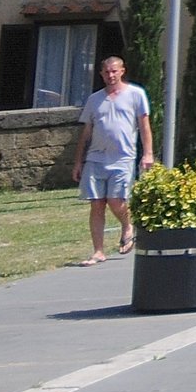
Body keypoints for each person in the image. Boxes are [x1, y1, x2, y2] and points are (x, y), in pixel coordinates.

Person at [70, 56, 153, 264]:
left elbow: (144, 127)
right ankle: (98, 251)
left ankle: (127, 225)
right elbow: (86, 133)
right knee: (97, 204)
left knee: (116, 201)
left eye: (114, 71)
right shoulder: (94, 100)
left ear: (122, 71)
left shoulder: (136, 95)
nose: (111, 75)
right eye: (107, 72)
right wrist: (78, 161)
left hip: (123, 158)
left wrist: (148, 153)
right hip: (96, 158)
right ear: (101, 74)